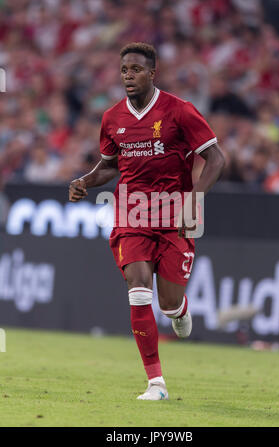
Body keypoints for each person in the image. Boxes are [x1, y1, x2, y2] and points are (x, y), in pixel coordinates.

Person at [69, 43, 225, 401]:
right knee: (138, 290)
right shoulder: (112, 118)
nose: (128, 76)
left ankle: (179, 310)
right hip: (132, 213)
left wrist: (193, 200)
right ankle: (156, 383)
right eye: (124, 70)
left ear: (152, 73)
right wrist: (84, 180)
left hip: (174, 214)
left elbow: (215, 159)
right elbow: (109, 164)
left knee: (168, 303)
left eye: (136, 70)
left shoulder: (180, 111)